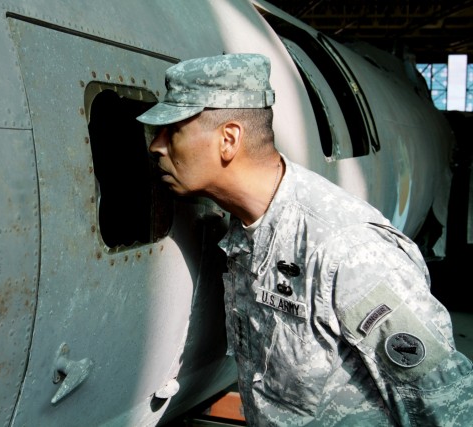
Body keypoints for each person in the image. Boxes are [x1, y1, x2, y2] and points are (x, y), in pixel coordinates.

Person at [137, 53, 473, 426]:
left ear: (228, 139)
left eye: (174, 131)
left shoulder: (347, 251)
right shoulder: (246, 228)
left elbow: (449, 410)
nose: (157, 146)